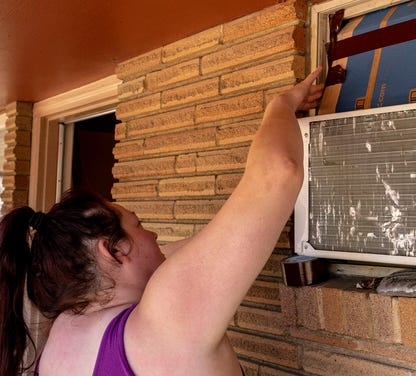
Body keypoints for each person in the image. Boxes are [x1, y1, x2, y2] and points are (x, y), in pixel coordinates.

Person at [0, 67, 324, 376]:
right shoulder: (164, 321)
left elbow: (179, 251)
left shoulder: (61, 331)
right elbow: (278, 171)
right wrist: (281, 105)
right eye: (137, 225)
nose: (152, 233)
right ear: (112, 252)